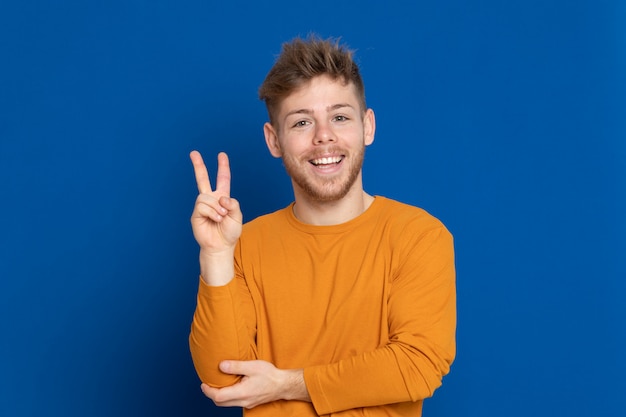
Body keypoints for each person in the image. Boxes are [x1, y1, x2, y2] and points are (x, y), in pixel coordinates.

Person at [188, 35, 456, 416]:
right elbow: (223, 380)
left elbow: (417, 366)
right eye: (301, 122)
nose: (323, 137)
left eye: (340, 117)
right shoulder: (244, 243)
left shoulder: (418, 236)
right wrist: (216, 255)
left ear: (368, 127)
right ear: (274, 140)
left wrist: (288, 384)